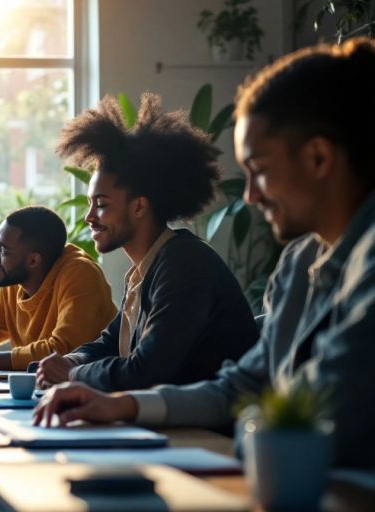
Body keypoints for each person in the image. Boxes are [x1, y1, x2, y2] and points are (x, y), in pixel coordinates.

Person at [33, 39, 375, 470]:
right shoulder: (299, 261)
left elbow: (323, 420)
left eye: (260, 170)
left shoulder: (185, 261)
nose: (249, 196)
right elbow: (243, 387)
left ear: (319, 157)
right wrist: (125, 407)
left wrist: (86, 378)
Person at [33, 92, 259, 392]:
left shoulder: (184, 264)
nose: (89, 216)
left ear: (139, 207)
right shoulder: (149, 267)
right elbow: (111, 342)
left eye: (101, 204)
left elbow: (145, 370)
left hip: (210, 433)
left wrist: (71, 375)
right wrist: (71, 361)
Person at [0, 206, 116, 372]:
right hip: (43, 391)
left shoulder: (80, 274)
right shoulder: (14, 284)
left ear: (33, 260)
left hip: (90, 394)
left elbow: (63, 351)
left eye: (4, 251)